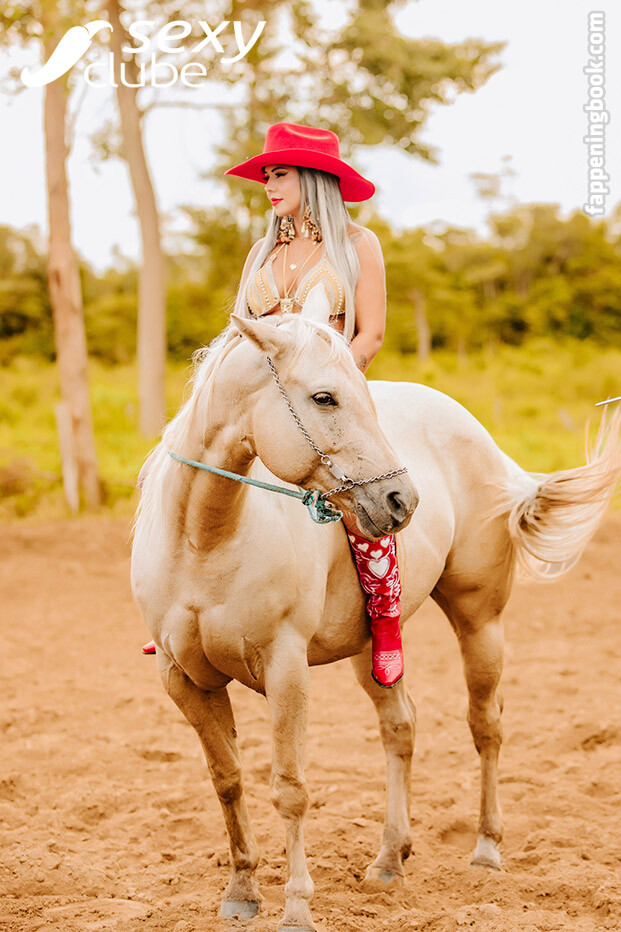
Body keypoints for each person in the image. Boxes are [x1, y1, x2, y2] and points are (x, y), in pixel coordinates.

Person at [143, 122, 404, 688]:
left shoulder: (358, 245)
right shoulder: (263, 251)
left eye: (279, 174)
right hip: (267, 401)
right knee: (187, 476)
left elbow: (372, 334)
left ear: (313, 178)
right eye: (266, 175)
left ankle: (385, 622)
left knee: (363, 483)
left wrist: (331, 384)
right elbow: (239, 334)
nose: (268, 185)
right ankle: (178, 603)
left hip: (331, 395)